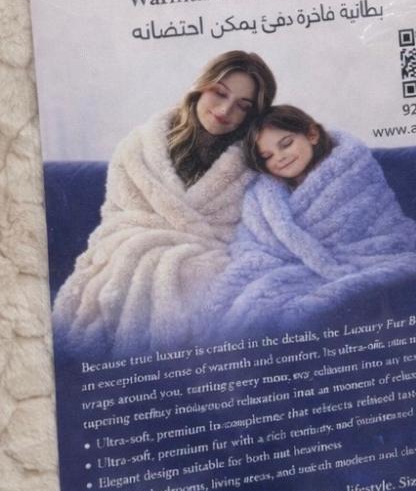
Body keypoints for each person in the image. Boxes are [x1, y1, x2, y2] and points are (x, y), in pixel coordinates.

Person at [52, 51, 277, 357]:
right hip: (134, 248)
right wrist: (154, 251)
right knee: (132, 268)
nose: (225, 110)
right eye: (220, 93)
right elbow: (119, 220)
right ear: (201, 87)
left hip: (213, 257)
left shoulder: (253, 164)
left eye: (243, 106)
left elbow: (254, 232)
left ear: (253, 116)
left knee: (205, 277)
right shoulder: (139, 148)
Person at [201, 105, 416, 338]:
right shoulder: (263, 194)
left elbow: (371, 214)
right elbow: (253, 241)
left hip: (361, 254)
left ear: (311, 134)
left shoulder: (350, 169)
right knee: (240, 302)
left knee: (284, 312)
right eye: (267, 156)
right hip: (292, 264)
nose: (280, 157)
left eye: (286, 144)